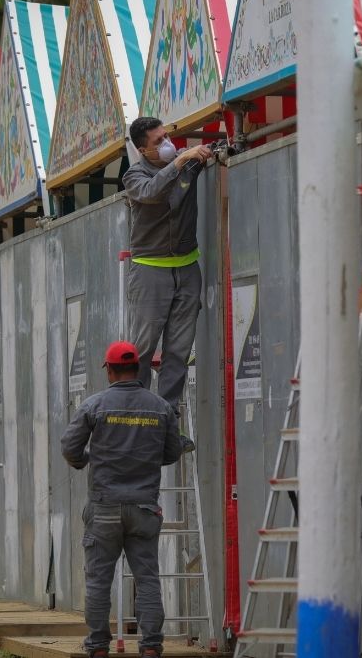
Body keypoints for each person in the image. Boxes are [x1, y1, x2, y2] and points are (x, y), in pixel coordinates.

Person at [61, 341, 185, 658]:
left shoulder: (94, 405)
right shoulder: (160, 407)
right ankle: (151, 648)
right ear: (137, 369)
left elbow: (70, 447)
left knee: (99, 581)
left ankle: (99, 648)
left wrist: (87, 458)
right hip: (144, 507)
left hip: (104, 507)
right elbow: (172, 452)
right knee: (147, 579)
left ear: (110, 370)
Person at [122, 117, 214, 412]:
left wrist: (209, 152)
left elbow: (216, 152)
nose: (166, 145)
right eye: (157, 142)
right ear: (142, 150)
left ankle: (166, 415)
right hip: (150, 269)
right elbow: (151, 192)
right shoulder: (134, 176)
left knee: (179, 350)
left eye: (165, 137)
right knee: (144, 346)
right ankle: (136, 412)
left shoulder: (186, 163)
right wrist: (181, 160)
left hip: (187, 268)